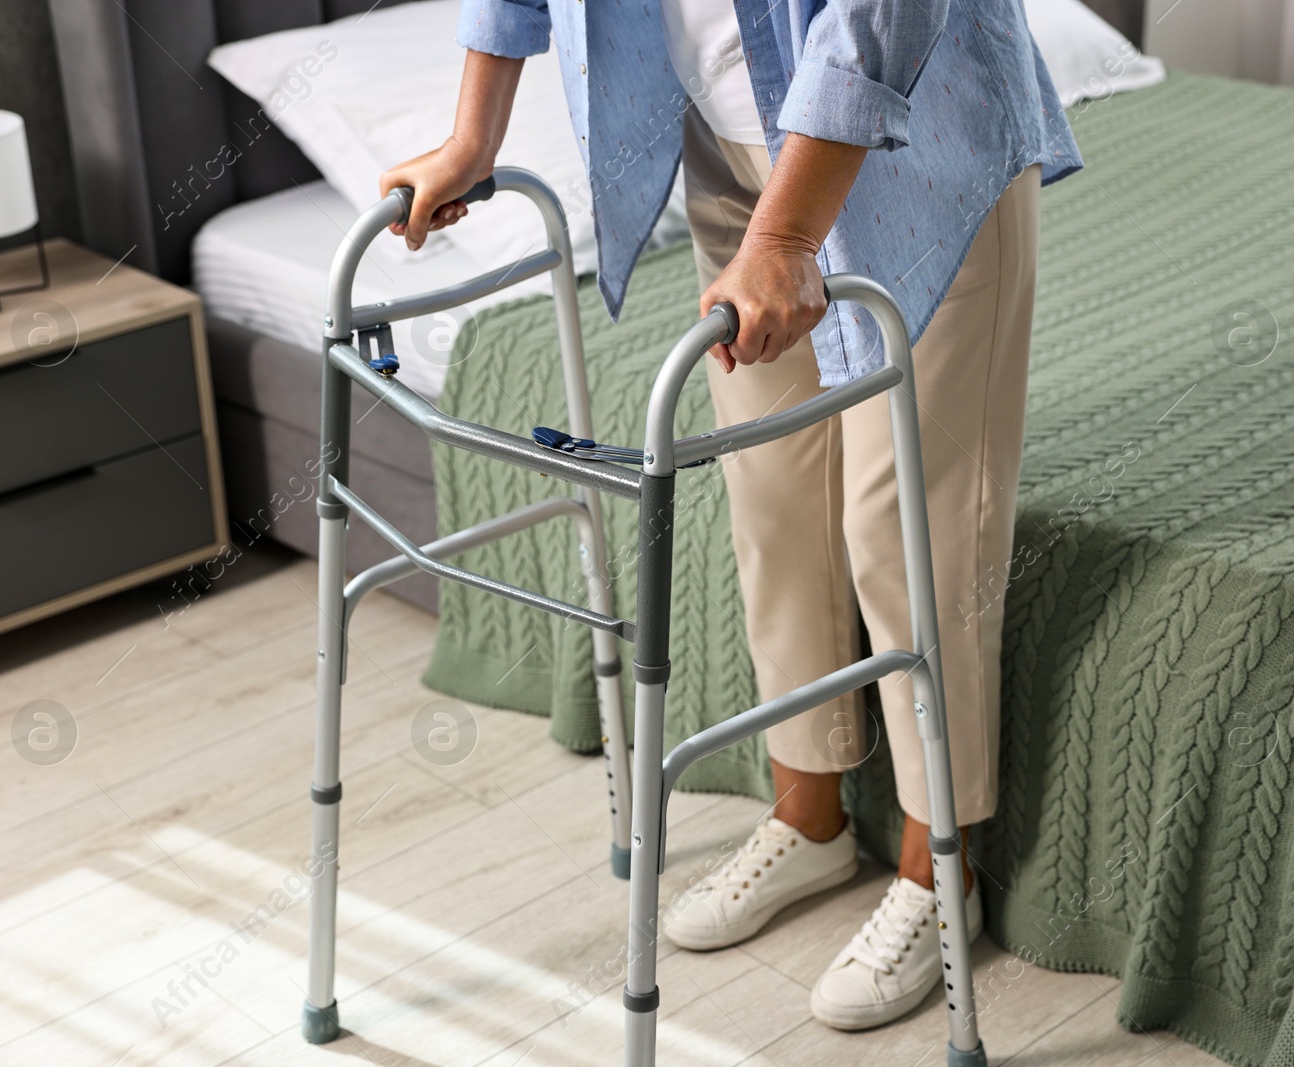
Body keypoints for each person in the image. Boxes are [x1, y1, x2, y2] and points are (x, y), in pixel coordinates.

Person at [382, 0, 1080, 1032]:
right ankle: (808, 815)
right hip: (728, 135)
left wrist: (792, 229)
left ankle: (941, 868)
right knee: (771, 494)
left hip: (922, 144)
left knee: (912, 527)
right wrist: (474, 132)